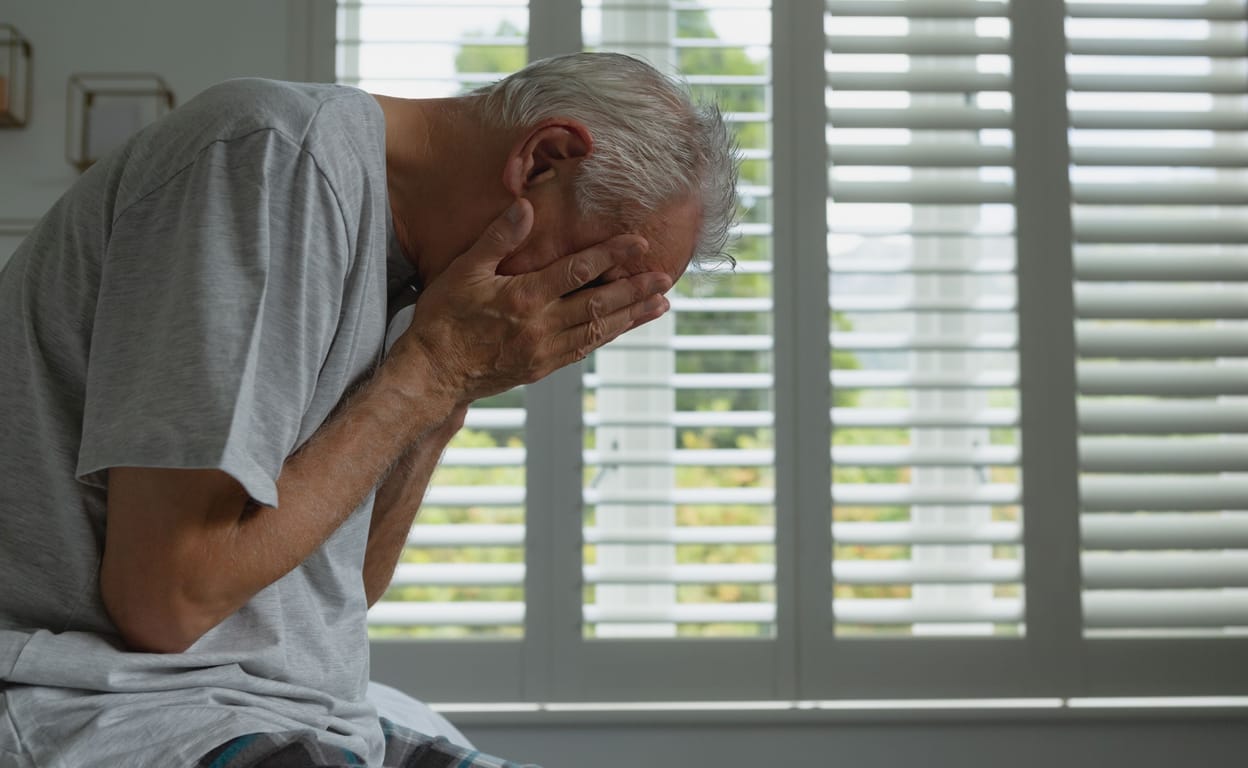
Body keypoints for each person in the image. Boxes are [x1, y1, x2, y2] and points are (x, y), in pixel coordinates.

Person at [0, 52, 738, 768]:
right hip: (98, 691)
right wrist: (433, 371)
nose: (573, 311)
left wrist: (450, 395)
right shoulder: (275, 161)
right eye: (592, 276)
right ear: (542, 159)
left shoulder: (422, 275)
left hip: (288, 707)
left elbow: (341, 597)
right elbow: (167, 601)